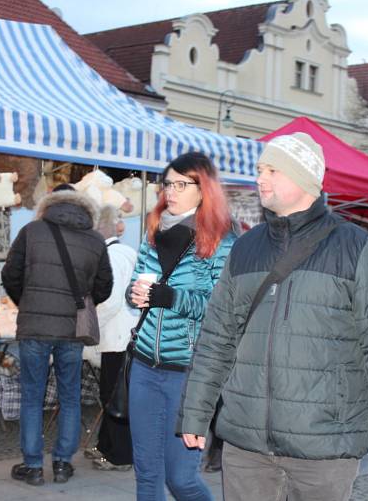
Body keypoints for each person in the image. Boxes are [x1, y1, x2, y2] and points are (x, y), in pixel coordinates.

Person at [178, 133, 368, 501]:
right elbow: (217, 338)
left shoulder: (357, 248)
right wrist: (196, 412)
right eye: (260, 169)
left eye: (273, 170)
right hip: (247, 443)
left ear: (305, 178)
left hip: (324, 445)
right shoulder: (246, 247)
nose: (261, 178)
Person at [126, 151, 236, 501]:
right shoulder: (154, 230)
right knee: (146, 475)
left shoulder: (221, 240)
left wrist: (170, 298)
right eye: (167, 184)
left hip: (188, 373)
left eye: (180, 184)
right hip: (144, 365)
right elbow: (137, 287)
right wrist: (135, 294)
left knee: (181, 479)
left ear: (203, 189)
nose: (169, 192)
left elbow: (221, 310)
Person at [2, 184, 113, 486]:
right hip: (72, 330)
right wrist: (81, 304)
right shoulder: (95, 239)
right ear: (82, 206)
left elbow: (10, 275)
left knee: (32, 397)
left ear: (49, 204)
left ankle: (33, 466)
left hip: (34, 327)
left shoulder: (32, 231)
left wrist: (27, 302)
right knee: (70, 396)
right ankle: (63, 463)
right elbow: (105, 286)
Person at [83, 206, 138, 472]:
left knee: (115, 396)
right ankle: (107, 446)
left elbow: (110, 300)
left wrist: (91, 327)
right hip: (125, 334)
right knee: (114, 394)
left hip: (117, 335)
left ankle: (120, 456)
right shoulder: (126, 252)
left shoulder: (112, 255)